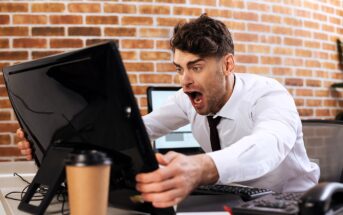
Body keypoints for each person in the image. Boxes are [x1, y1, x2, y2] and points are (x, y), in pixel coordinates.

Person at [17, 14, 319, 208]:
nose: (185, 80)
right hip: (232, 203)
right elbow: (136, 130)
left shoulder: (269, 94)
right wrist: (56, 139)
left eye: (196, 68)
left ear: (228, 65)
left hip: (295, 204)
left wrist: (199, 168)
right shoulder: (185, 97)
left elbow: (268, 145)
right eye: (179, 68)